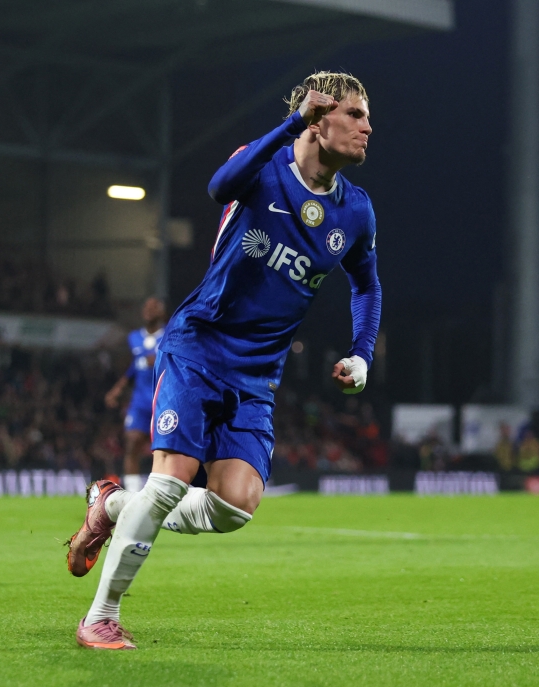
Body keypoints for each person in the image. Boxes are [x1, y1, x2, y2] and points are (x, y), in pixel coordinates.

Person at [66, 71, 381, 650]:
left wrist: (361, 353)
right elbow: (219, 186)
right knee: (168, 483)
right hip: (200, 346)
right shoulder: (263, 166)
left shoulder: (354, 211)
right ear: (319, 117)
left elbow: (367, 285)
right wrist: (292, 123)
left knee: (236, 505)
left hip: (258, 373)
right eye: (356, 114)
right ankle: (100, 617)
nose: (368, 126)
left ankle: (110, 505)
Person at [103, 297, 168, 492]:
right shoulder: (134, 338)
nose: (148, 310)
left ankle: (162, 493)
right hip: (139, 401)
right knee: (132, 443)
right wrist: (117, 389)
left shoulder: (170, 335)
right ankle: (132, 495)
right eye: (146, 307)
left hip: (163, 400)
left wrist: (159, 360)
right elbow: (134, 367)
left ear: (161, 313)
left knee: (164, 449)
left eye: (154, 307)